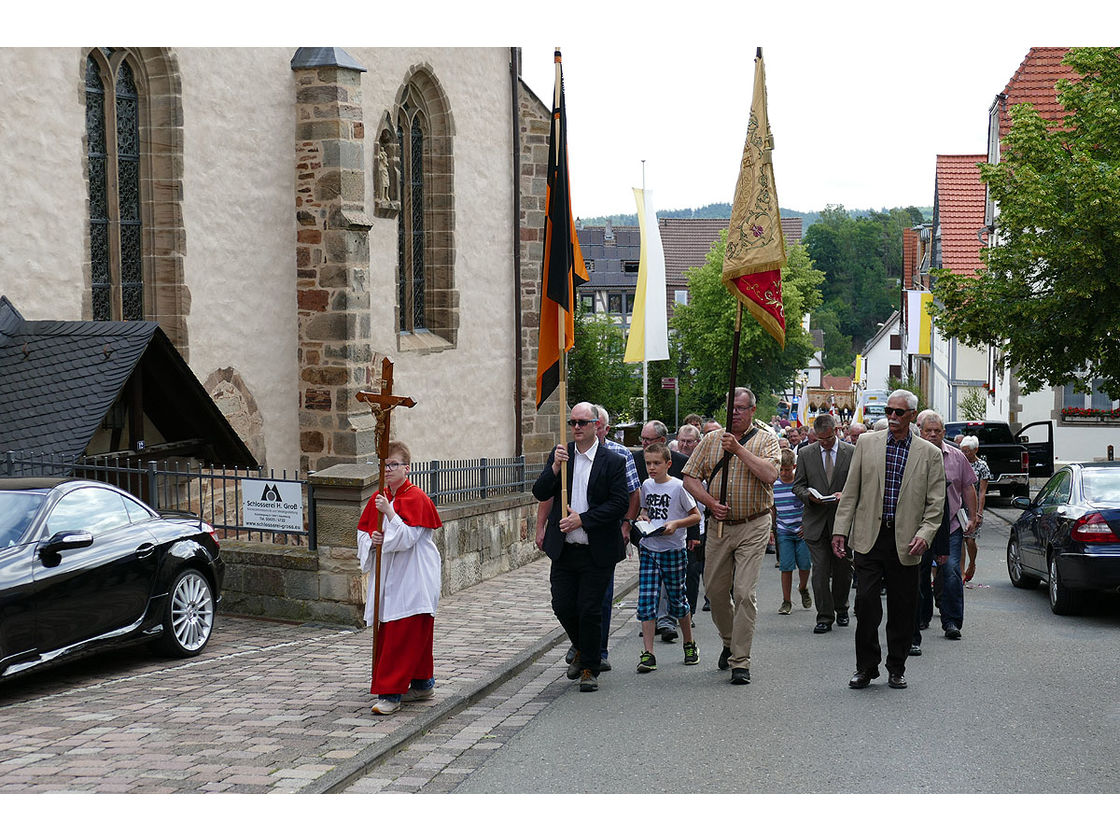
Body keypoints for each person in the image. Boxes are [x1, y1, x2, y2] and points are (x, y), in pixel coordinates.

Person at [831, 389, 945, 690]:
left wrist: (925, 534)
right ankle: (866, 668)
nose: (892, 417)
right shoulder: (867, 444)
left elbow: (936, 503)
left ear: (911, 416)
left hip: (907, 541)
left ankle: (896, 666)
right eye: (888, 412)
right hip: (869, 537)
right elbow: (851, 491)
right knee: (866, 603)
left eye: (898, 413)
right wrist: (840, 530)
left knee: (902, 607)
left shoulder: (929, 454)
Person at [682, 387, 780, 686]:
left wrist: (738, 449)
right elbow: (689, 478)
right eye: (731, 408)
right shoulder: (711, 440)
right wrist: (711, 504)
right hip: (719, 527)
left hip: (754, 523)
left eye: (740, 408)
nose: (735, 413)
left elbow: (770, 475)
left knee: (744, 593)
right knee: (714, 591)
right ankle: (729, 640)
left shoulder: (767, 439)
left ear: (752, 410)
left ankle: (741, 661)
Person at [533, 402, 630, 693]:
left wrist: (583, 520)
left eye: (582, 422)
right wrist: (552, 468)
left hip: (596, 549)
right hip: (565, 549)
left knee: (589, 609)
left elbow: (619, 504)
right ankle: (581, 647)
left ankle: (590, 665)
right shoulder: (562, 456)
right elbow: (540, 492)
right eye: (573, 422)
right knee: (562, 605)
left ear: (596, 425)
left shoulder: (612, 461)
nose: (576, 427)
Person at [358, 441, 443, 716]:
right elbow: (362, 533)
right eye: (385, 465)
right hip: (389, 578)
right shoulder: (378, 498)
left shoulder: (417, 498)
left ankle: (391, 694)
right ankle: (422, 685)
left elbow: (408, 538)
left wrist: (390, 514)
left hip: (413, 577)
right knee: (399, 634)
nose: (389, 469)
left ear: (407, 468)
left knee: (404, 634)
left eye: (394, 464)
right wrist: (372, 540)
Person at [635, 443, 701, 672]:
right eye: (648, 463)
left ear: (668, 464)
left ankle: (689, 642)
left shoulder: (678, 487)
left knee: (677, 600)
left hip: (673, 549)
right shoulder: (646, 485)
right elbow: (645, 509)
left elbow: (695, 516)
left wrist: (675, 524)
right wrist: (643, 518)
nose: (651, 468)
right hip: (650, 547)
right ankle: (648, 653)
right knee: (646, 600)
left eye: (656, 463)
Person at [915, 412, 978, 641]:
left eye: (937, 431)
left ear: (944, 432)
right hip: (919, 526)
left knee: (951, 571)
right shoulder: (913, 454)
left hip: (950, 524)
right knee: (920, 572)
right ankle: (921, 616)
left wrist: (972, 516)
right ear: (920, 431)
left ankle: (951, 621)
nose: (932, 434)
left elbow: (967, 487)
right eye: (928, 431)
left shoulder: (957, 456)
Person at [793, 412, 855, 633]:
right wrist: (808, 496)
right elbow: (797, 485)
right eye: (820, 439)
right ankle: (824, 616)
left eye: (828, 439)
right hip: (816, 521)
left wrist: (844, 495)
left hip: (843, 521)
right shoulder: (806, 453)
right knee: (819, 571)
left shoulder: (852, 452)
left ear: (836, 430)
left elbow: (859, 484)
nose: (824, 443)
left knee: (843, 569)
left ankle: (842, 607)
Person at [772, 449, 811, 615]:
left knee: (804, 564)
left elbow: (809, 506)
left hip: (801, 529)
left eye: (787, 470)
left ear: (794, 467)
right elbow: (773, 508)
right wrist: (772, 529)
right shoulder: (774, 484)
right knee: (786, 567)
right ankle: (786, 600)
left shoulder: (799, 483)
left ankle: (803, 587)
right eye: (781, 469)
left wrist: (806, 524)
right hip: (784, 530)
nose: (784, 473)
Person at [675, 424, 707, 616]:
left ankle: (689, 613)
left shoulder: (703, 463)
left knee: (692, 572)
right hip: (673, 527)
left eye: (689, 442)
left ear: (697, 442)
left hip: (697, 525)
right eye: (682, 441)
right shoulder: (671, 461)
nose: (685, 445)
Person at [959, 435, 989, 582]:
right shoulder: (960, 462)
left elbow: (982, 491)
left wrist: (979, 512)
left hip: (974, 505)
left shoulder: (982, 466)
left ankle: (972, 564)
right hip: (959, 506)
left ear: (975, 450)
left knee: (970, 540)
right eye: (963, 451)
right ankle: (961, 572)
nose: (965, 454)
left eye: (968, 451)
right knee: (960, 539)